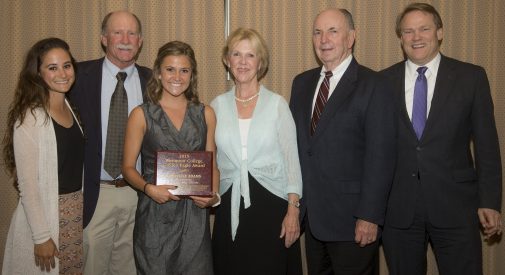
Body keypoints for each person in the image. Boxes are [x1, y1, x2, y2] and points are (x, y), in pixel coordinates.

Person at [380, 3, 502, 275]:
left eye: (424, 29)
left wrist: (490, 201)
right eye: (408, 31)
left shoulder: (471, 78)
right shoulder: (382, 82)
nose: (416, 37)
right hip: (399, 210)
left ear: (440, 32)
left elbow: (487, 147)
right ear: (401, 38)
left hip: (456, 206)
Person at [289, 8, 397, 274]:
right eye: (317, 32)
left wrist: (370, 216)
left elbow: (381, 156)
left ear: (351, 38)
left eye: (332, 31)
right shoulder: (301, 83)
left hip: (353, 222)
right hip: (312, 219)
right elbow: (298, 149)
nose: (323, 39)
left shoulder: (374, 84)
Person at [122, 40, 220, 275]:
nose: (177, 76)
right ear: (158, 72)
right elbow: (127, 168)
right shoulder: (141, 114)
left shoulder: (205, 113)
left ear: (192, 74)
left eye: (184, 70)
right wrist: (148, 189)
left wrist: (213, 196)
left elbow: (213, 165)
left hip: (194, 219)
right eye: (170, 69)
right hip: (155, 217)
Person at [211, 27, 303, 275]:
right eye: (236, 54)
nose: (242, 62)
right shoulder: (216, 106)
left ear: (260, 62)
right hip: (228, 204)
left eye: (250, 55)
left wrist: (293, 211)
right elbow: (209, 160)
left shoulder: (277, 105)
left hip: (271, 207)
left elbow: (292, 162)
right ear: (226, 60)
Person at [68, 10, 151, 274]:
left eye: (132, 33)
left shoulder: (156, 81)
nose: (125, 39)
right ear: (104, 38)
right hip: (95, 193)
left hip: (137, 195)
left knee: (130, 268)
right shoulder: (77, 77)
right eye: (117, 32)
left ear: (140, 41)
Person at [2, 38, 84, 274]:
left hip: (73, 215)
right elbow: (28, 184)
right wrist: (41, 237)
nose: (62, 73)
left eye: (67, 66)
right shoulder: (30, 118)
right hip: (46, 219)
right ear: (38, 74)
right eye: (52, 67)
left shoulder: (70, 108)